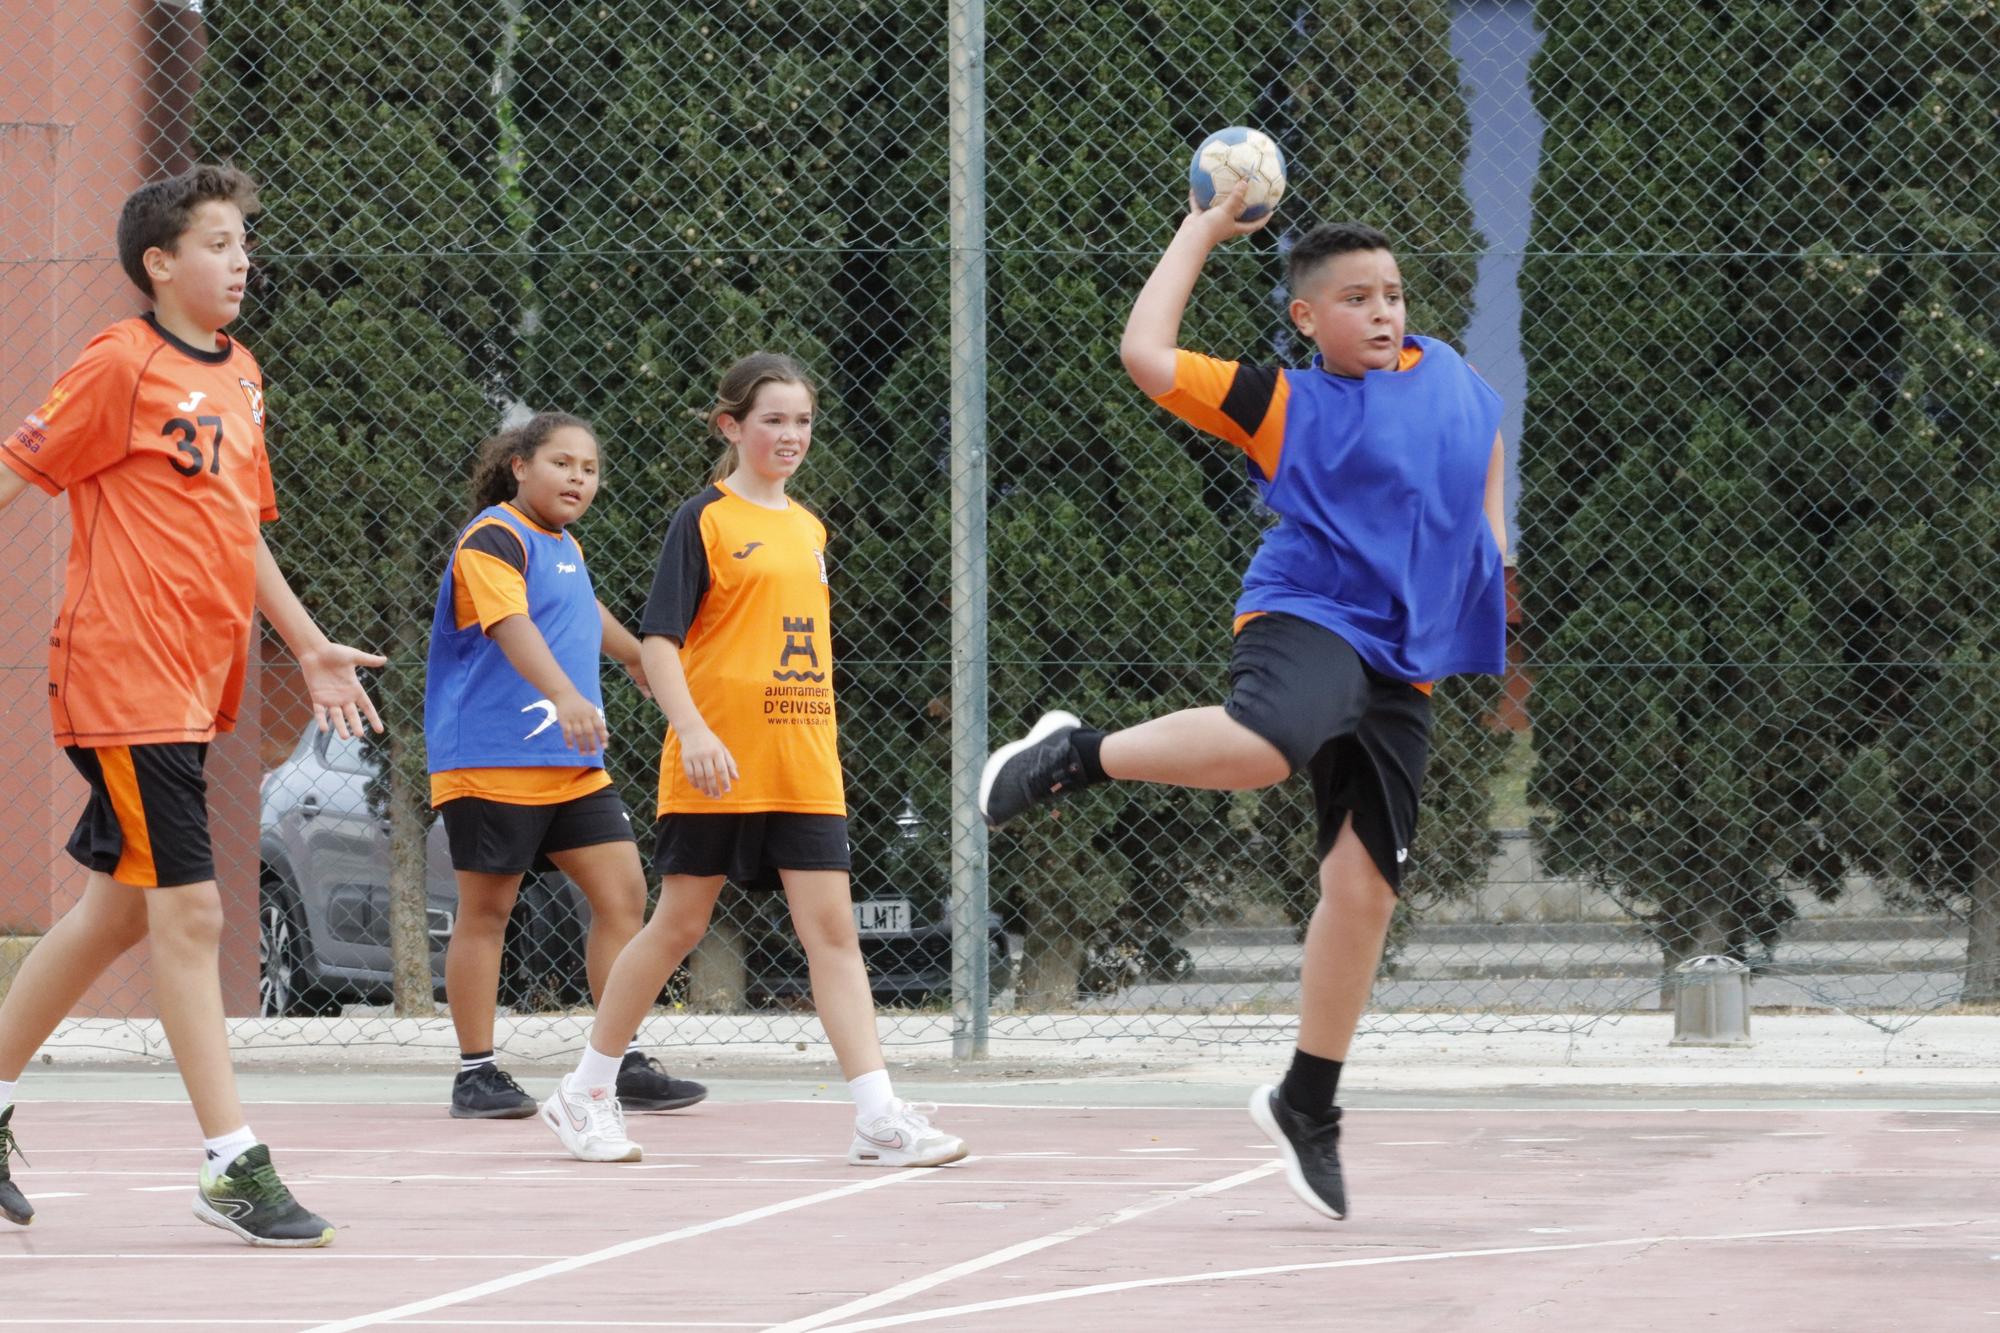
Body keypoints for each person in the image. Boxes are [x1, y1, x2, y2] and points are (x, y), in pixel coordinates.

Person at [980, 184, 1510, 1221]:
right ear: (1307, 319)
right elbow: (1143, 353)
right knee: (1269, 739)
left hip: (1401, 659)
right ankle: (1074, 751)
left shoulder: (1445, 372)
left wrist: (1488, 536)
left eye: (1393, 293)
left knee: (1363, 894)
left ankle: (1306, 1101)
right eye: (1356, 297)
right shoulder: (1285, 402)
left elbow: (1483, 433)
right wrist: (1202, 229)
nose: (1384, 311)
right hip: (1307, 614)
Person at [0, 165, 388, 1246]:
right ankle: (230, 1163)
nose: (241, 261)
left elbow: (237, 527)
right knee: (194, 912)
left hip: (190, 680)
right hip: (121, 678)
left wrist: (307, 645)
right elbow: (15, 470)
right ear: (159, 264)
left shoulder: (242, 373)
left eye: (244, 244)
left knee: (119, 910)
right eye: (217, 244)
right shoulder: (118, 364)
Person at [539, 352, 964, 1167]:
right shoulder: (705, 518)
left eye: (802, 420)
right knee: (678, 924)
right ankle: (588, 1086)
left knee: (832, 933)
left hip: (803, 762)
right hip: (717, 762)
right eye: (773, 419)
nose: (790, 434)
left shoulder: (808, 529)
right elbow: (660, 641)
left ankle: (877, 1114)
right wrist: (693, 730)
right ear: (732, 425)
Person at [426, 412, 707, 1120]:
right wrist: (564, 692)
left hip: (572, 764)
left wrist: (639, 655)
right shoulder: (493, 536)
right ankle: (476, 1071)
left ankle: (620, 1058)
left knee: (623, 895)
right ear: (519, 466)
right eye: (561, 462)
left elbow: (581, 610)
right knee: (488, 911)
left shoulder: (563, 545)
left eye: (588, 467)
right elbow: (510, 624)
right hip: (492, 758)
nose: (578, 477)